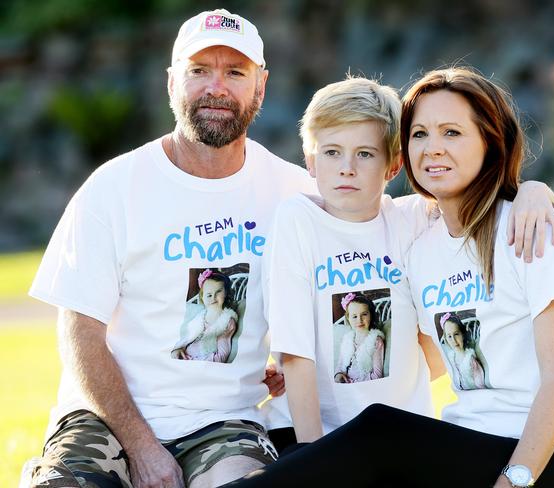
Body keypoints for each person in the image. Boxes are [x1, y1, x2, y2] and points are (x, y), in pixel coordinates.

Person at [220, 67, 554, 488]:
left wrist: (514, 481)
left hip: (553, 460)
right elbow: (426, 354)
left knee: (380, 432)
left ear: (490, 142)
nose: (433, 149)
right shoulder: (426, 241)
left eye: (452, 133)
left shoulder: (534, 230)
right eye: (420, 134)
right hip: (470, 443)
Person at [26, 9, 314, 488]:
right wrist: (142, 447)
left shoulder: (295, 194)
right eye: (199, 70)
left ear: (260, 86)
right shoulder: (114, 187)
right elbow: (80, 331)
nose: (216, 87)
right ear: (172, 81)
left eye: (235, 72)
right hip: (104, 418)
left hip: (225, 422)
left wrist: (289, 360)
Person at [262, 76, 554, 445]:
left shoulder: (414, 219)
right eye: (332, 152)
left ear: (394, 166)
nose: (347, 168)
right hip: (307, 431)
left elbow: (480, 197)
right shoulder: (297, 220)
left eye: (365, 154)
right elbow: (295, 355)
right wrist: (311, 457)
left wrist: (533, 190)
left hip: (400, 435)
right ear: (310, 160)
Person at [171, 269, 238, 363]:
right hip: (185, 356)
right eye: (209, 294)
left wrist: (194, 362)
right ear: (202, 297)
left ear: (226, 293)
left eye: (218, 291)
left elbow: (221, 356)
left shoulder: (226, 322)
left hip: (200, 363)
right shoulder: (200, 317)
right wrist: (177, 350)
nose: (213, 297)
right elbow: (186, 338)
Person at [334, 293, 385, 383]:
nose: (359, 320)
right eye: (354, 316)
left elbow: (377, 375)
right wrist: (338, 375)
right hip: (345, 384)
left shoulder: (376, 341)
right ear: (348, 318)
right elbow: (340, 365)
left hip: (364, 386)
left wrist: (353, 383)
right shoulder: (346, 340)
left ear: (371, 315)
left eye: (364, 314)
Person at [439, 312, 486, 390]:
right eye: (449, 336)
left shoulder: (470, 359)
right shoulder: (451, 357)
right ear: (446, 338)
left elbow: (480, 384)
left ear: (463, 334)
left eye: (456, 334)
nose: (453, 340)